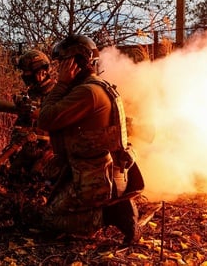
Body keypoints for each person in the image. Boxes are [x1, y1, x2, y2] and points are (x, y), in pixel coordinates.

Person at [36, 34, 145, 246]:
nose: (58, 70)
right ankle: (110, 207)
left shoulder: (86, 92)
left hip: (97, 180)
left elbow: (46, 119)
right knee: (54, 199)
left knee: (50, 218)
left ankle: (112, 214)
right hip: (105, 174)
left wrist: (61, 84)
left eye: (61, 64)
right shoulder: (99, 86)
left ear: (73, 63)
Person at [8, 50, 57, 180]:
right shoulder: (32, 93)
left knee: (36, 177)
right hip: (30, 148)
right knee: (13, 173)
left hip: (51, 151)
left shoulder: (58, 94)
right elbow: (21, 125)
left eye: (27, 72)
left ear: (42, 72)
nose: (24, 75)